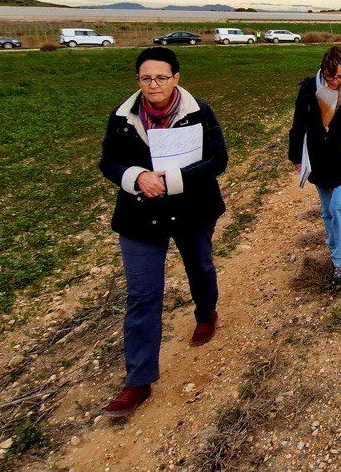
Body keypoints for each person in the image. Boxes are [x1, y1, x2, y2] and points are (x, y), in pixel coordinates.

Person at [97, 47, 228, 418]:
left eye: (160, 77)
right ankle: (137, 381)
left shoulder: (199, 112)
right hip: (140, 216)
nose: (153, 85)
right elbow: (108, 161)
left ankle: (206, 313)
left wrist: (173, 180)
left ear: (176, 78)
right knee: (142, 296)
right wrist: (135, 177)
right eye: (145, 78)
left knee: (199, 267)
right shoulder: (124, 117)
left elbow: (218, 160)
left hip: (191, 210)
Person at [288, 46, 341, 285]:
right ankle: (334, 245)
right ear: (322, 72)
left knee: (340, 206)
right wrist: (296, 157)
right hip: (319, 158)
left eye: (339, 76)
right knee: (327, 210)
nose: (335, 81)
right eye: (329, 77)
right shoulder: (309, 88)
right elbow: (299, 123)